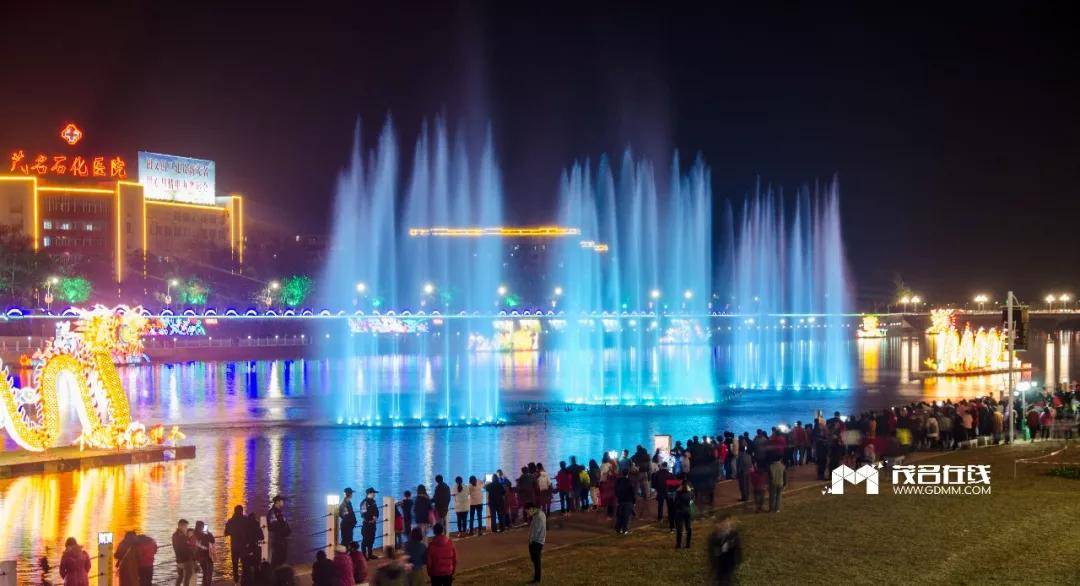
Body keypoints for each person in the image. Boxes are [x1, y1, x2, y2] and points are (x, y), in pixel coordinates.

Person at [708, 516, 742, 585]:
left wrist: (729, 544)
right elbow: (714, 552)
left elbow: (737, 547)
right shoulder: (713, 536)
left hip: (730, 564)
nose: (725, 524)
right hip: (718, 565)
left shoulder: (733, 534)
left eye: (727, 522)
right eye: (722, 523)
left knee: (728, 580)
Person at [224, 505, 248, 583]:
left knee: (235, 565)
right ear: (241, 511)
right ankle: (244, 581)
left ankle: (236, 581)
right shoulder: (245, 520)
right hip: (243, 546)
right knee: (244, 564)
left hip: (234, 546)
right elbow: (249, 532)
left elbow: (226, 533)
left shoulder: (230, 521)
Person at [267, 495, 291, 568]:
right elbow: (274, 526)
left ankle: (279, 574)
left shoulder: (279, 512)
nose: (283, 502)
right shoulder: (273, 513)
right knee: (276, 558)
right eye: (282, 501)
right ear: (277, 502)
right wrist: (284, 530)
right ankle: (274, 575)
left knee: (282, 557)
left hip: (281, 538)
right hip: (277, 539)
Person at [241, 512, 264, 585]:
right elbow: (262, 537)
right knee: (256, 566)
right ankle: (257, 582)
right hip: (256, 549)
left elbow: (243, 538)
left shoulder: (245, 526)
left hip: (248, 549)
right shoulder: (257, 526)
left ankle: (246, 582)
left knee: (246, 568)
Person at [526, 503, 546, 584]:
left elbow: (536, 530)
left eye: (527, 512)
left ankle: (537, 579)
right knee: (535, 560)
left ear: (531, 509)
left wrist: (531, 539)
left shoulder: (538, 516)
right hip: (538, 540)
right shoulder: (539, 514)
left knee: (536, 561)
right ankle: (536, 578)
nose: (528, 514)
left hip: (536, 541)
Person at [673, 479, 694, 548]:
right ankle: (688, 544)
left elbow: (675, 503)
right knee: (688, 527)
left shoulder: (678, 493)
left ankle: (678, 544)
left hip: (680, 511)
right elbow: (692, 502)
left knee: (679, 528)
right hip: (688, 511)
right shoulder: (690, 493)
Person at [172, 520, 194, 586]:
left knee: (180, 577)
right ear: (181, 526)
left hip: (180, 560)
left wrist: (179, 561)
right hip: (186, 559)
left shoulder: (176, 535)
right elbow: (179, 549)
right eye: (186, 526)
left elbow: (177, 549)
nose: (187, 528)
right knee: (187, 578)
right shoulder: (181, 536)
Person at [193, 521, 215, 586]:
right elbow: (212, 540)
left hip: (199, 557)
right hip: (207, 556)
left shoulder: (194, 534)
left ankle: (205, 584)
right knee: (209, 573)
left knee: (205, 573)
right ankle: (207, 584)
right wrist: (208, 532)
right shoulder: (205, 534)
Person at [360, 487, 380, 559]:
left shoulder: (373, 501)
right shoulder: (364, 502)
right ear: (370, 493)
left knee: (371, 539)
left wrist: (375, 516)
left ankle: (370, 554)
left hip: (373, 524)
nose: (374, 494)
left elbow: (377, 511)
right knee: (365, 540)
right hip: (367, 524)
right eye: (373, 493)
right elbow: (363, 514)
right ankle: (364, 556)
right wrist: (370, 519)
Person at [614, 470, 636, 534]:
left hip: (620, 501)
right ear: (628, 474)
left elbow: (616, 490)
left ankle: (618, 529)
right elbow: (632, 492)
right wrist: (634, 502)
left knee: (620, 515)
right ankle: (625, 530)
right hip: (628, 501)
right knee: (626, 516)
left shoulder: (618, 481)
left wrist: (618, 497)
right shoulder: (629, 481)